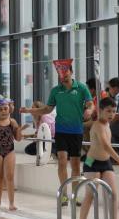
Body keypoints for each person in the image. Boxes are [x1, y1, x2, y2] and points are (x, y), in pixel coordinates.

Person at [20, 63, 94, 206]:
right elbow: (47, 109)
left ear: (71, 72)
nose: (63, 77)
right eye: (60, 74)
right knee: (61, 161)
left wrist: (89, 111)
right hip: (61, 131)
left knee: (76, 166)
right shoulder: (56, 91)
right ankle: (64, 195)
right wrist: (30, 111)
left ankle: (75, 195)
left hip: (76, 131)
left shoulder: (81, 88)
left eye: (65, 73)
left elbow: (90, 104)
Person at [78, 97, 119, 219]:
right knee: (91, 194)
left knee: (113, 194)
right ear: (100, 111)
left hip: (105, 162)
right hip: (91, 162)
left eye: (114, 111)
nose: (111, 114)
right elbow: (106, 145)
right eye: (108, 111)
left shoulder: (107, 124)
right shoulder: (98, 125)